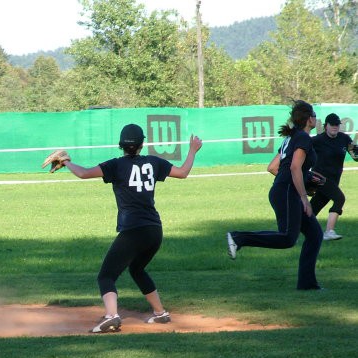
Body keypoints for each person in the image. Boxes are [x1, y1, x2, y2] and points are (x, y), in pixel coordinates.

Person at [59, 123, 203, 333]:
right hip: (154, 230)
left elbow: (83, 173)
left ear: (121, 145)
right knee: (136, 269)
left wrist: (66, 162)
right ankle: (160, 314)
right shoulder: (153, 162)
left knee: (106, 276)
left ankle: (112, 317)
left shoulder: (116, 165)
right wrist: (192, 150)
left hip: (133, 230)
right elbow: (182, 173)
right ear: (142, 144)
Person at [226, 100, 323, 290]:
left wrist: (301, 181)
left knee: (315, 234)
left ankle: (307, 284)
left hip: (284, 190)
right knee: (287, 238)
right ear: (309, 119)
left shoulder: (292, 137)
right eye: (314, 116)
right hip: (287, 192)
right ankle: (238, 238)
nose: (316, 119)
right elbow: (294, 167)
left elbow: (273, 168)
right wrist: (304, 196)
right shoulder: (303, 138)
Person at [310, 112, 358, 241]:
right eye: (332, 125)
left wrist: (356, 144)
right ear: (326, 126)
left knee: (312, 209)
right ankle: (329, 231)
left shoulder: (344, 138)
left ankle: (292, 230)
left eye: (337, 124)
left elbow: (356, 157)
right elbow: (302, 148)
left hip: (334, 180)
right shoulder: (318, 139)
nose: (335, 127)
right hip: (320, 178)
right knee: (339, 198)